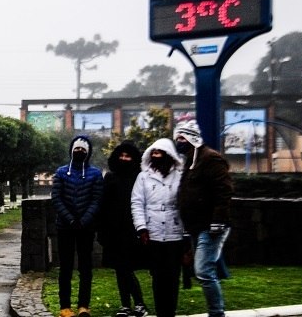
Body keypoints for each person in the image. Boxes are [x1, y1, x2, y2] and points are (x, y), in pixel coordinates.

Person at [173, 120, 233, 317]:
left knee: (203, 271)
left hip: (210, 225)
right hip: (195, 225)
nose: (179, 142)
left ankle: (217, 313)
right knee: (204, 270)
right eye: (177, 138)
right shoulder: (190, 161)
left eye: (182, 137)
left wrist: (218, 220)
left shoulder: (210, 159)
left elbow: (223, 191)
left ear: (192, 137)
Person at [131, 138, 185, 317]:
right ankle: (161, 312)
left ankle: (170, 312)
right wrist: (141, 227)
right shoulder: (143, 177)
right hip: (152, 234)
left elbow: (184, 203)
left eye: (160, 153)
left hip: (174, 234)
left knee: (172, 277)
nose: (156, 156)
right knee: (158, 277)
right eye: (153, 153)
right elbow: (137, 203)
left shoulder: (179, 176)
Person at [51, 135, 103, 317]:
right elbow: (56, 198)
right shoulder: (60, 172)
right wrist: (70, 219)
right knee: (65, 267)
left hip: (86, 228)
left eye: (83, 149)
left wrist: (84, 219)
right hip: (65, 227)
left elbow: (97, 200)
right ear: (71, 150)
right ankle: (65, 307)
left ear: (87, 152)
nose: (79, 151)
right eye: (77, 148)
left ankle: (84, 306)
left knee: (85, 267)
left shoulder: (95, 174)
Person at [97, 140, 148, 317]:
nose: (124, 159)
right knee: (119, 269)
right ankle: (126, 305)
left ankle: (140, 303)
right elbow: (103, 204)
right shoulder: (110, 177)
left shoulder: (140, 177)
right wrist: (102, 230)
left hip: (132, 229)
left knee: (126, 267)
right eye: (122, 155)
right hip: (113, 231)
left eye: (128, 156)